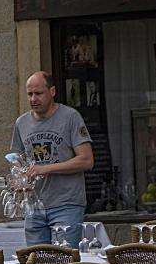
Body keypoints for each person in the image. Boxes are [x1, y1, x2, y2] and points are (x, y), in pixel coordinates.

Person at [11, 71, 94, 247]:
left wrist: (45, 168)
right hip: (34, 207)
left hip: (66, 204)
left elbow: (86, 160)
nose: (33, 99)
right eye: (30, 94)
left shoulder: (70, 117)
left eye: (38, 93)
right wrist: (19, 181)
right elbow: (18, 161)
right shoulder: (21, 123)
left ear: (53, 91)